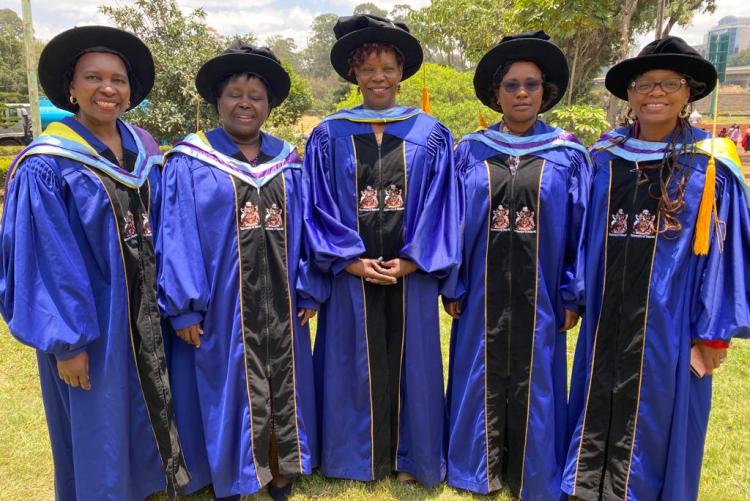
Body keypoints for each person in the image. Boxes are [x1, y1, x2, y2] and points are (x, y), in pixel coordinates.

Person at [0, 26, 190, 499]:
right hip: (94, 322)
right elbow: (47, 261)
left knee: (145, 402)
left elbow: (169, 229)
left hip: (149, 314)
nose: (108, 89)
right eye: (93, 78)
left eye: (118, 79)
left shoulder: (144, 147)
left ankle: (147, 482)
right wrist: (68, 344)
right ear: (70, 86)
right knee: (98, 417)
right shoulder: (48, 162)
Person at [563, 36, 750, 501]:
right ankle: (588, 487)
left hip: (670, 322)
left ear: (689, 93)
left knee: (660, 413)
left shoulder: (712, 166)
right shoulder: (605, 157)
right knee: (597, 396)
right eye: (644, 84)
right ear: (629, 94)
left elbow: (727, 258)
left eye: (670, 83)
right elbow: (582, 234)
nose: (656, 93)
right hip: (607, 318)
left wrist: (711, 336)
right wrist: (576, 294)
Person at [158, 44, 325, 501]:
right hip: (222, 304)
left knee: (282, 379)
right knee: (228, 384)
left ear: (269, 105)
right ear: (218, 101)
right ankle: (234, 472)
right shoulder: (191, 160)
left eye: (256, 94)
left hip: (284, 301)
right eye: (235, 93)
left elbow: (308, 227)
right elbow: (178, 236)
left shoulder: (289, 160)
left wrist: (308, 288)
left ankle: (281, 465)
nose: (245, 103)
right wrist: (184, 308)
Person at [303, 14, 460, 487]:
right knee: (350, 361)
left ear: (401, 71)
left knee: (413, 364)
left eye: (388, 67)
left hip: (411, 274)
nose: (379, 78)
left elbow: (443, 204)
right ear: (353, 73)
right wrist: (349, 260)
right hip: (351, 274)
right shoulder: (328, 134)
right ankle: (353, 457)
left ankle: (412, 458)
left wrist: (413, 259)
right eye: (368, 68)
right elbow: (317, 203)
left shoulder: (430, 133)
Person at [443, 31, 591, 500]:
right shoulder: (470, 150)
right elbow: (452, 222)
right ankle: (475, 467)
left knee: (538, 377)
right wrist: (455, 283)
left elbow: (579, 232)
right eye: (511, 85)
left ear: (545, 91)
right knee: (477, 369)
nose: (522, 93)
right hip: (481, 291)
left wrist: (572, 292)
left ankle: (532, 472)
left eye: (531, 84)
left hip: (542, 292)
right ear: (496, 93)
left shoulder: (568, 153)